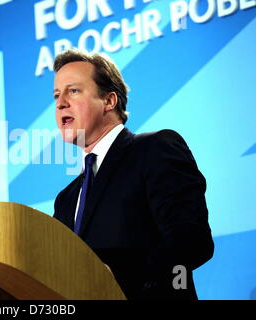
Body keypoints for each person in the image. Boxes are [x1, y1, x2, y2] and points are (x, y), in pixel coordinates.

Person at [52, 49, 214, 300]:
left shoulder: (155, 149)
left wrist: (118, 276)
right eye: (56, 95)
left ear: (109, 101)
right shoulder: (66, 199)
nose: (61, 102)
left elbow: (192, 241)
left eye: (73, 91)